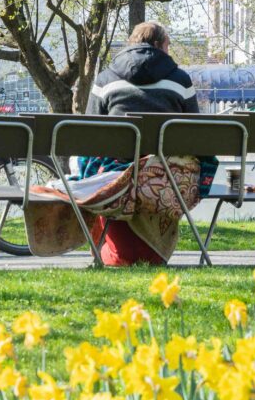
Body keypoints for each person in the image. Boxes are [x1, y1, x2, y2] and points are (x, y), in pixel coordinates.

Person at [80, 21, 203, 265]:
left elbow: (90, 130)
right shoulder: (180, 80)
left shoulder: (105, 79)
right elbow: (195, 131)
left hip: (115, 173)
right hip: (167, 175)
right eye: (168, 46)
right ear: (159, 45)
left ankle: (107, 250)